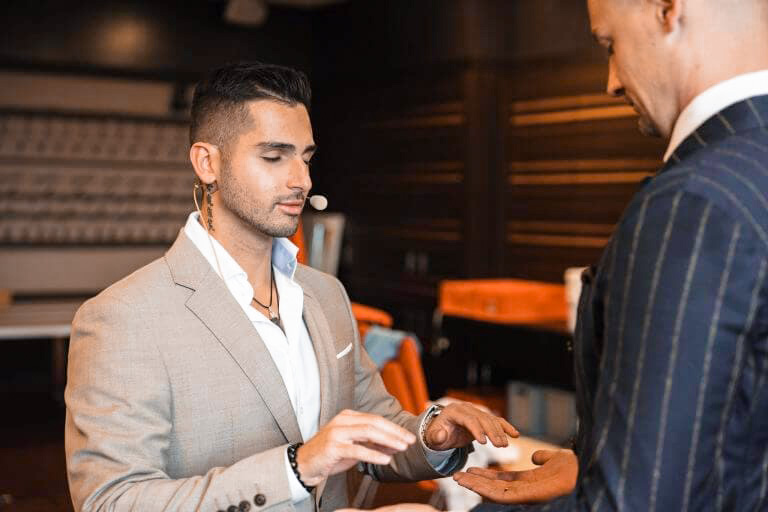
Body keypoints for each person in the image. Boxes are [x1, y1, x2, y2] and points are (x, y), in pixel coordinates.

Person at [344, 0, 768, 510]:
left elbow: (639, 500)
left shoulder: (691, 202)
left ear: (666, 9)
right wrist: (593, 463)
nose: (612, 82)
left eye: (610, 45)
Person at [64, 62, 520, 512]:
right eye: (273, 156)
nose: (302, 180)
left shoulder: (326, 294)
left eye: (305, 158)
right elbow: (111, 501)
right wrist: (295, 468)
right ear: (207, 163)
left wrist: (430, 436)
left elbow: (373, 424)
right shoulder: (125, 317)